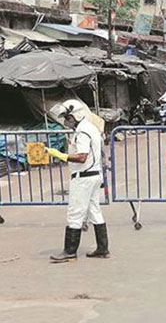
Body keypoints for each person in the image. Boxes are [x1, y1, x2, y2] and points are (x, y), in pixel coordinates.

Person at [46, 100, 110, 263]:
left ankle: (70, 251)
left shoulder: (83, 131)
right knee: (94, 211)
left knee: (75, 213)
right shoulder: (90, 128)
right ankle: (103, 248)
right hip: (94, 175)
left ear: (77, 114)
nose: (67, 121)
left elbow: (82, 156)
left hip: (84, 178)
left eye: (69, 117)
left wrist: (60, 155)